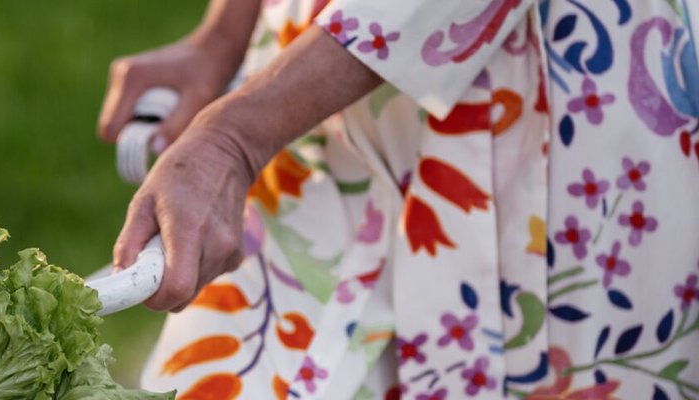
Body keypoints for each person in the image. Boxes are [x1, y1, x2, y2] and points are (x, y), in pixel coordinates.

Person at [100, 0, 699, 398]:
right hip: (309, 104)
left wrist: (236, 137)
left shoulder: (243, 132)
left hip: (542, 130)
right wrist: (225, 36)